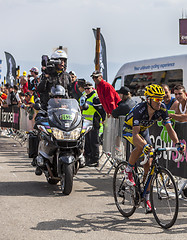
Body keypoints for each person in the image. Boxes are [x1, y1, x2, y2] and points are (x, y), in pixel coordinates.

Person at [123, 84, 185, 213]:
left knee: (150, 162)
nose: (159, 102)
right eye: (156, 99)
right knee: (141, 148)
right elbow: (135, 136)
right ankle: (128, 169)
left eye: (161, 99)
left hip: (144, 130)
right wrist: (144, 146)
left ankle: (145, 194)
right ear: (148, 99)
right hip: (130, 130)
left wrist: (178, 143)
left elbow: (169, 128)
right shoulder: (139, 110)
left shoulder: (161, 108)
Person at [82, 82, 106, 167]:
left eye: (88, 88)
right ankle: (88, 159)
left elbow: (101, 111)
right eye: (85, 89)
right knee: (87, 143)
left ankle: (95, 160)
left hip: (93, 123)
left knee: (94, 142)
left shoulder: (95, 98)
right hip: (86, 124)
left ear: (92, 88)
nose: (87, 90)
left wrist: (103, 119)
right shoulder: (86, 97)